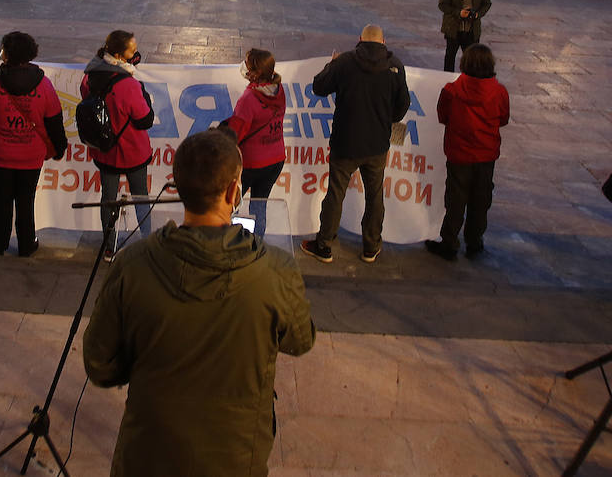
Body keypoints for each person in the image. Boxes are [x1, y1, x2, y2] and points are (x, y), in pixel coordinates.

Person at [82, 128, 315, 477]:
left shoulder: (133, 265)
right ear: (233, 191)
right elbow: (301, 339)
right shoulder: (276, 271)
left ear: (177, 189)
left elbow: (99, 365)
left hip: (148, 455)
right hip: (235, 458)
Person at [300, 25, 411, 264]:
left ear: (360, 39)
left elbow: (319, 87)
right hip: (377, 145)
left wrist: (331, 64)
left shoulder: (345, 62)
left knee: (335, 194)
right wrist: (384, 119)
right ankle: (371, 247)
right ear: (383, 41)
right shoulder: (395, 66)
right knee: (375, 196)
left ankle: (324, 245)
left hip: (345, 143)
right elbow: (402, 106)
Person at [0, 31, 68, 256]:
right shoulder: (44, 85)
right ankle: (26, 245)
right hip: (30, 155)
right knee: (25, 202)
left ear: (6, 54)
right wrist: (59, 147)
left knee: (0, 202)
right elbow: (54, 120)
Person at [425, 44, 509, 261]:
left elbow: (443, 116)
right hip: (486, 155)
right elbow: (503, 119)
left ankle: (449, 242)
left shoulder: (451, 90)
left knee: (455, 199)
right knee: (480, 199)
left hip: (459, 154)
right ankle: (474, 241)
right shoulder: (499, 92)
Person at [82, 30, 155, 257]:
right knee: (140, 196)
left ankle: (109, 246)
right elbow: (145, 120)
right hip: (132, 151)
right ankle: (148, 241)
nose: (136, 53)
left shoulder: (89, 77)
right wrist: (144, 94)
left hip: (105, 152)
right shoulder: (129, 85)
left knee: (108, 198)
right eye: (132, 50)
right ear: (119, 55)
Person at [227, 48, 286, 237]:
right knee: (260, 206)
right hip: (275, 160)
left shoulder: (248, 99)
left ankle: (227, 240)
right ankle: (257, 242)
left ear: (255, 72)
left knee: (229, 205)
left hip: (250, 164)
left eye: (247, 64)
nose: (243, 66)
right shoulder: (279, 90)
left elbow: (235, 134)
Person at [437, 0, 491, 72]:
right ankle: (448, 78)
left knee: (472, 59)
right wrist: (458, 12)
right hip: (454, 28)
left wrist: (478, 14)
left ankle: (469, 78)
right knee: (450, 56)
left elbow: (486, 3)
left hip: (471, 29)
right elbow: (442, 4)